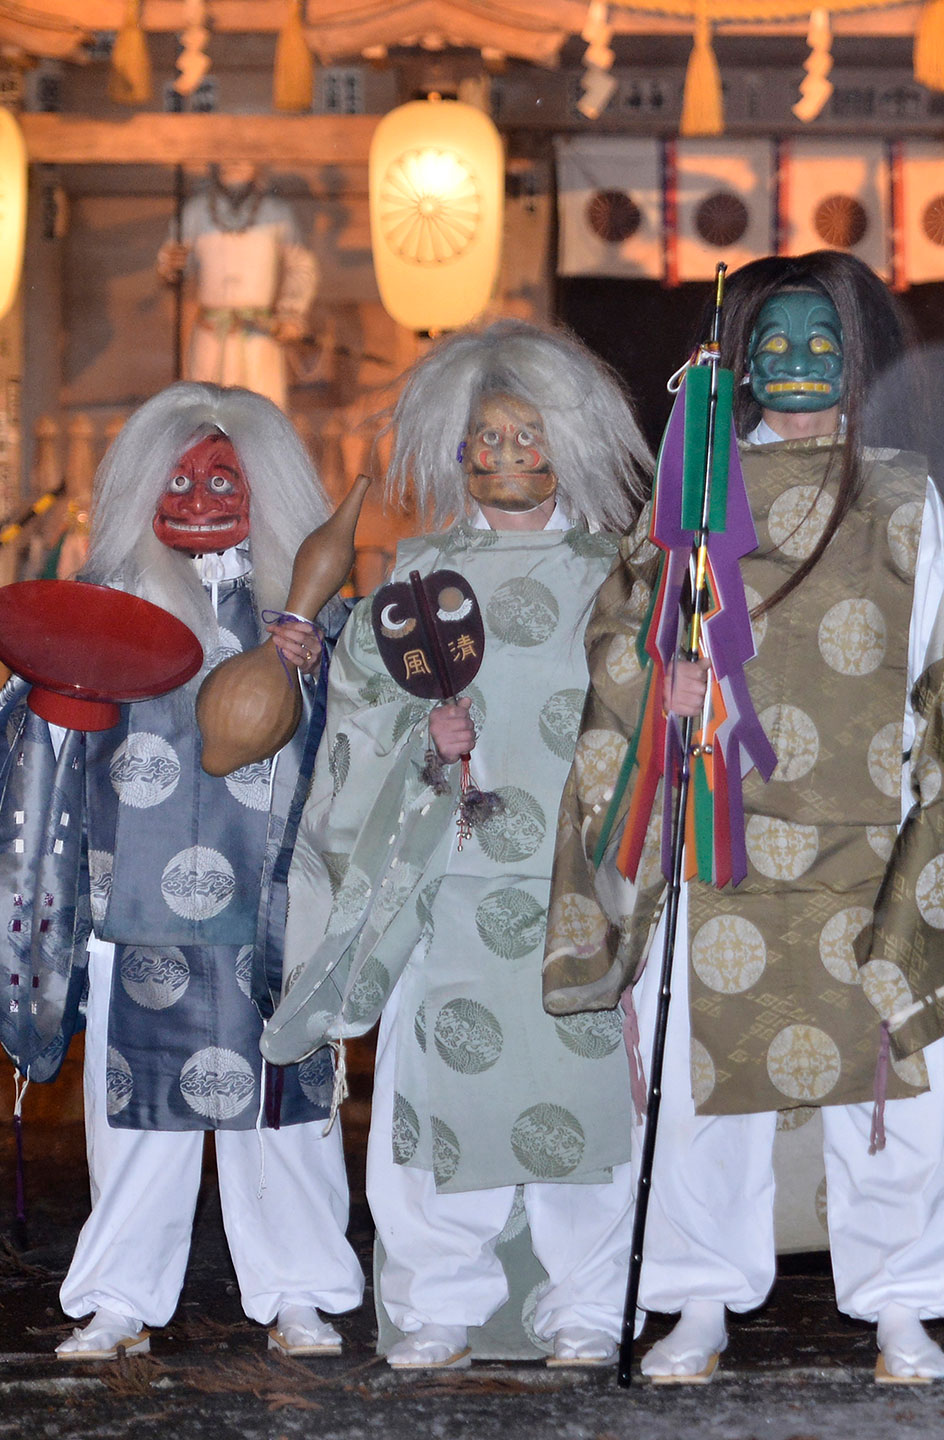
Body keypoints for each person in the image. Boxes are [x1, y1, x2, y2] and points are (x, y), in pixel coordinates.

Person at [543, 252, 944, 1385]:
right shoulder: (693, 491)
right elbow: (622, 634)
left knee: (888, 1088)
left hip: (862, 832)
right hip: (718, 840)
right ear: (735, 359)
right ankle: (699, 1303)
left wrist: (925, 816)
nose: (799, 359)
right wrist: (654, 677)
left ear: (853, 361)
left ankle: (902, 1302)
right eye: (777, 340)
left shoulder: (903, 494)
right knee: (705, 1091)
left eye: (823, 342)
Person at [263, 321, 652, 1370]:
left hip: (580, 871)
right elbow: (360, 715)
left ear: (566, 443)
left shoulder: (619, 566)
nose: (508, 457)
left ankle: (586, 1303)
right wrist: (420, 741)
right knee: (440, 1100)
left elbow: (654, 708)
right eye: (486, 439)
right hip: (453, 874)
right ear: (456, 451)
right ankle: (440, 1299)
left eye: (529, 436)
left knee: (584, 1096)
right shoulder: (423, 566)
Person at [0, 383, 361, 1360]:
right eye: (179, 477)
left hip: (275, 905)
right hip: (137, 908)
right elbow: (41, 745)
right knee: (137, 1131)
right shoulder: (105, 607)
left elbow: (372, 744)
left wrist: (320, 668)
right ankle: (119, 1300)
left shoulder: (316, 611)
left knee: (286, 1120)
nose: (200, 495)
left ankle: (299, 1290)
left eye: (222, 477)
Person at [157, 163, 319, 412]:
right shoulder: (195, 211)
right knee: (203, 414)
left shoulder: (277, 212)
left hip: (259, 336)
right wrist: (172, 266)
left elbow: (301, 265)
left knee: (263, 415)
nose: (234, 160)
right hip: (210, 335)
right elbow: (174, 266)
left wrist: (291, 313)